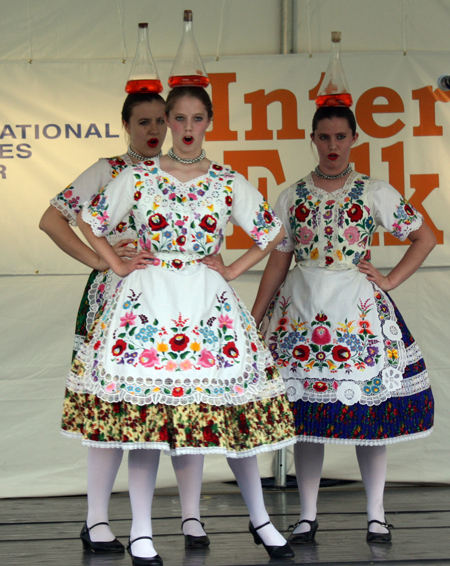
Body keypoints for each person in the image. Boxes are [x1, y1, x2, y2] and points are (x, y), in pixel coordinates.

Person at [67, 86, 296, 565]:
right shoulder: (138, 176)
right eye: (179, 118)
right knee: (147, 418)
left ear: (208, 122)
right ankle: (142, 531)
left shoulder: (228, 181)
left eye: (197, 118)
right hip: (148, 301)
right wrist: (116, 264)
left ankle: (261, 520)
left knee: (234, 411)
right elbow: (92, 219)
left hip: (206, 301)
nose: (188, 128)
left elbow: (272, 231)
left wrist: (233, 269)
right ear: (168, 121)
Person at [252, 105, 436, 545]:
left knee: (369, 415)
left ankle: (376, 514)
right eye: (324, 137)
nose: (333, 145)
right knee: (307, 416)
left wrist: (389, 280)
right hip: (300, 312)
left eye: (340, 136)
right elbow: (277, 265)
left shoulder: (374, 191)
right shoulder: (290, 195)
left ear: (354, 138)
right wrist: (253, 319)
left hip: (356, 312)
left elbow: (424, 236)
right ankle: (308, 515)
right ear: (312, 139)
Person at [39, 92, 212, 553]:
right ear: (126, 125)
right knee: (109, 407)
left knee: (178, 404)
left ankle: (184, 517)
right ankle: (97, 519)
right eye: (144, 123)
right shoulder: (109, 170)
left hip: (172, 301)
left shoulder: (184, 172)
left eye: (161, 121)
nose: (154, 130)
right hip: (117, 301)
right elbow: (52, 218)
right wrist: (101, 260)